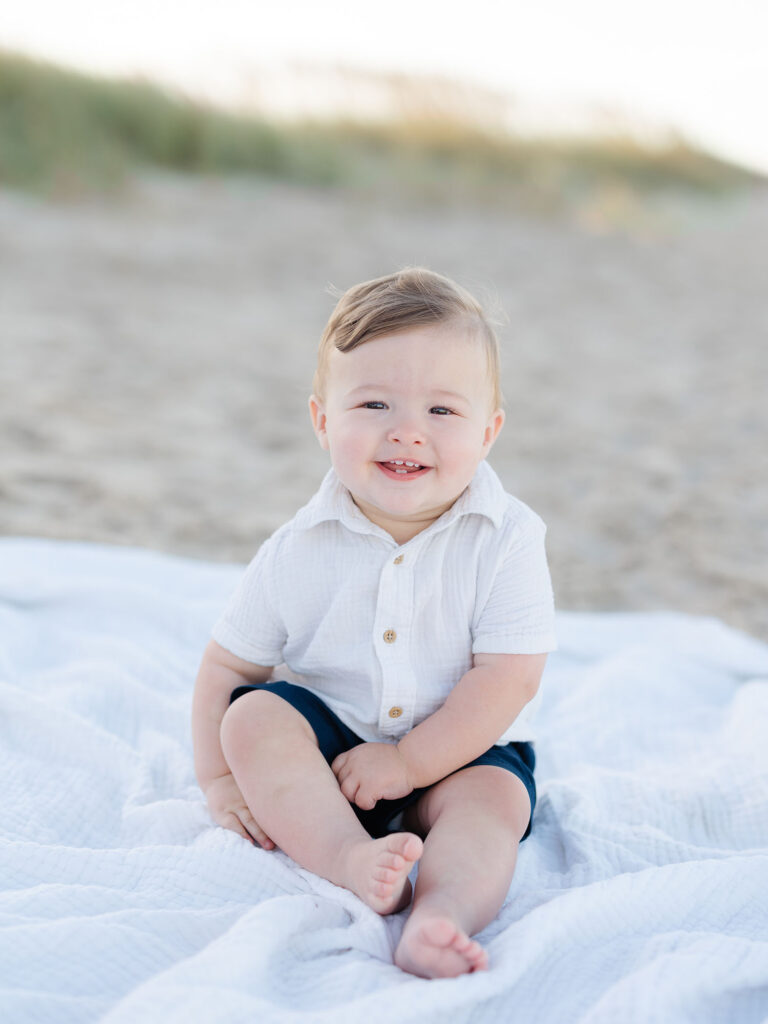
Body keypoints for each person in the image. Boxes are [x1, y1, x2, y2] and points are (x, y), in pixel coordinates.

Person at [191, 267, 556, 979]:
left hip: (459, 753)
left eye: (442, 413)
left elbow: (510, 678)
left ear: (490, 431)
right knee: (250, 720)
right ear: (324, 421)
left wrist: (411, 763)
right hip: (336, 753)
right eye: (375, 404)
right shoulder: (299, 547)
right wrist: (218, 781)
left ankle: (442, 914)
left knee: (494, 807)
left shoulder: (507, 538)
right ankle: (349, 857)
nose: (406, 432)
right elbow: (228, 666)